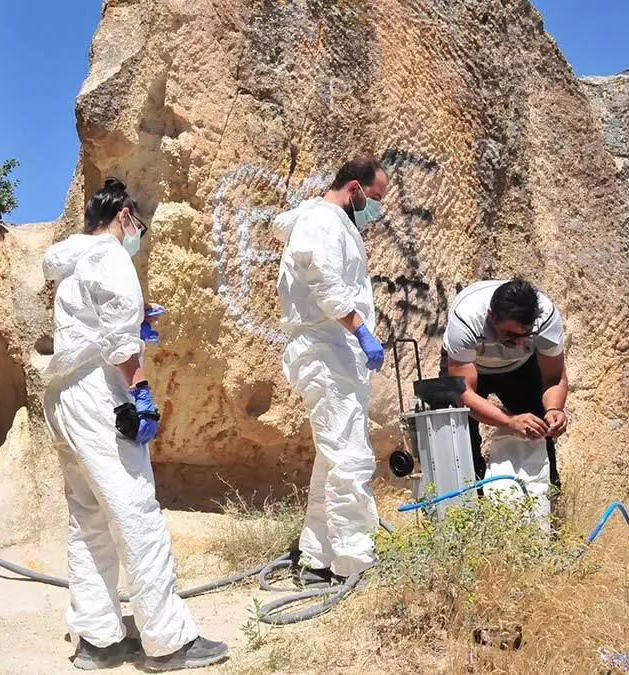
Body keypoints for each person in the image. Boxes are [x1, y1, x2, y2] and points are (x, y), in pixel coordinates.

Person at [42, 179, 228, 671]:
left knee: (88, 519)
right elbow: (121, 345)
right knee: (135, 513)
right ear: (124, 215)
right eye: (138, 226)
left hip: (65, 398)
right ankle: (169, 641)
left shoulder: (74, 262)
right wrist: (141, 392)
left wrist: (134, 319)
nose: (138, 236)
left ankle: (99, 638)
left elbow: (95, 325)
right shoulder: (111, 257)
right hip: (100, 398)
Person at [273, 157, 389, 585]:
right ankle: (353, 560)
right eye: (374, 199)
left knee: (332, 457)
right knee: (349, 457)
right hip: (325, 350)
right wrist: (360, 330)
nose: (375, 209)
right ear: (354, 188)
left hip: (335, 352)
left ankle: (317, 554)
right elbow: (324, 281)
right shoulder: (321, 222)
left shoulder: (334, 224)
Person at [440, 278, 569, 515]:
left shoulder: (546, 317)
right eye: (510, 334)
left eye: (525, 334)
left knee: (538, 427)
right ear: (491, 315)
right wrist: (509, 421)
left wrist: (554, 410)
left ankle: (547, 510)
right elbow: (463, 394)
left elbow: (554, 378)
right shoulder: (466, 319)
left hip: (519, 368)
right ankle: (471, 512)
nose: (519, 341)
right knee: (461, 437)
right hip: (472, 367)